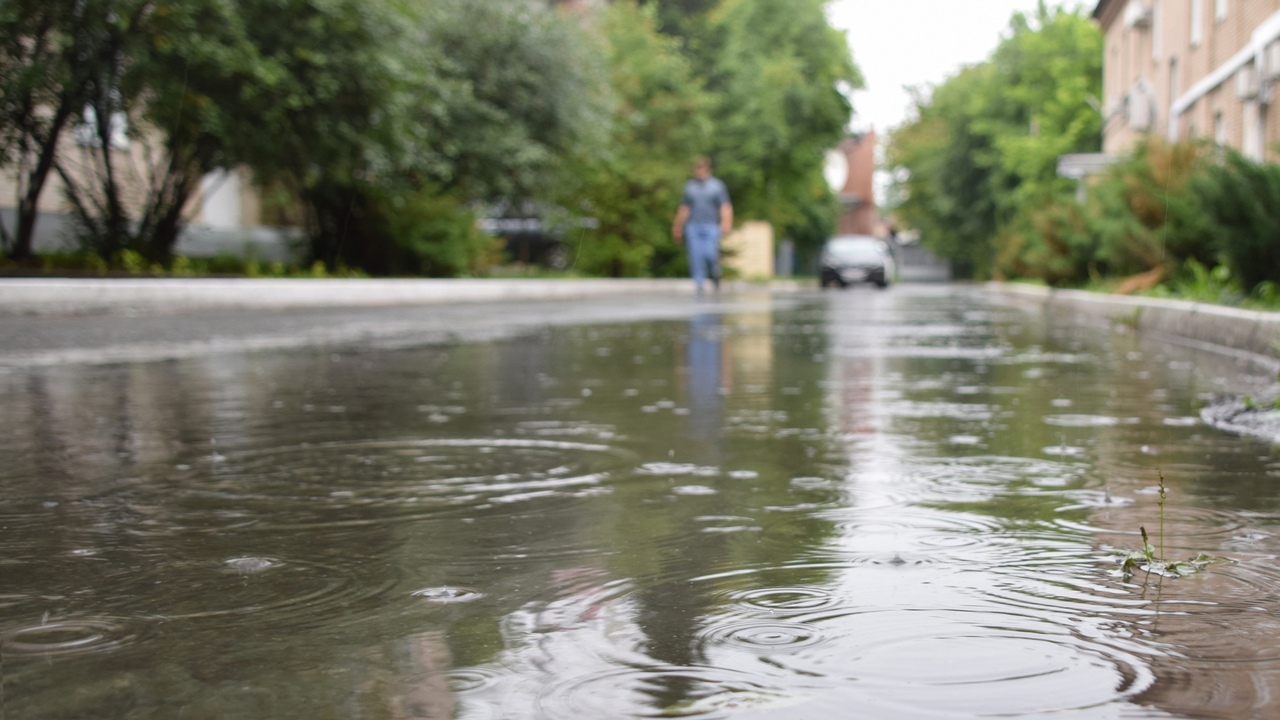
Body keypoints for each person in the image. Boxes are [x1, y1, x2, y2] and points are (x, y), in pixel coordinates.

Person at [672, 156, 733, 293]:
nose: (699, 172)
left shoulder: (717, 186)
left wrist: (726, 222)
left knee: (710, 254)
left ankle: (715, 274)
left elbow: (725, 206)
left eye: (702, 169)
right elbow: (684, 208)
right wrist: (677, 226)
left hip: (711, 226)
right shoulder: (690, 186)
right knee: (695, 256)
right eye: (697, 169)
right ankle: (699, 285)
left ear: (708, 169)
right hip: (693, 226)